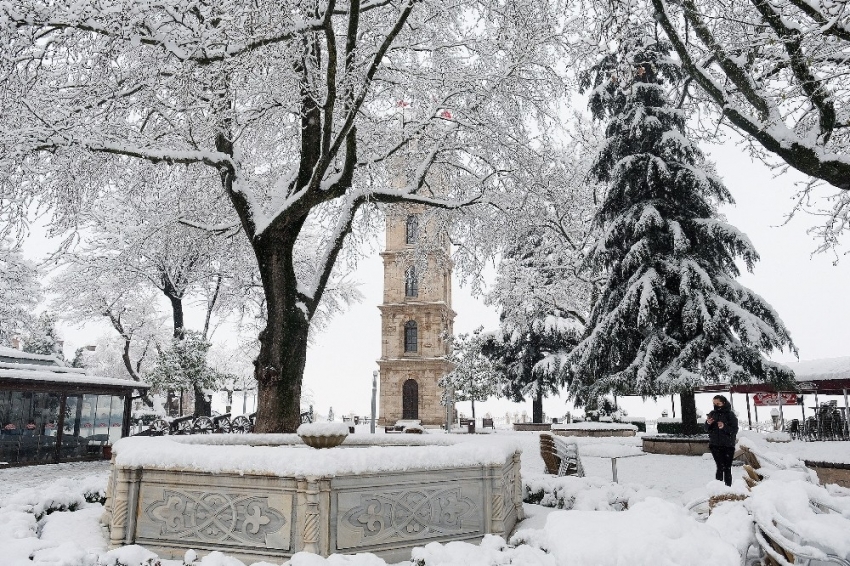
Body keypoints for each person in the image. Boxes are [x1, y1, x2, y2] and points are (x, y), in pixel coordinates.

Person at [705, 395, 739, 486]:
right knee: (719, 467)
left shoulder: (730, 415)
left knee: (727, 468)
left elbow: (734, 430)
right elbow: (706, 428)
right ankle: (718, 489)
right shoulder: (712, 413)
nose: (716, 405)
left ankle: (728, 488)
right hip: (715, 445)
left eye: (718, 403)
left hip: (728, 446)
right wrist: (708, 423)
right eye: (714, 403)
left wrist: (724, 427)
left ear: (723, 403)